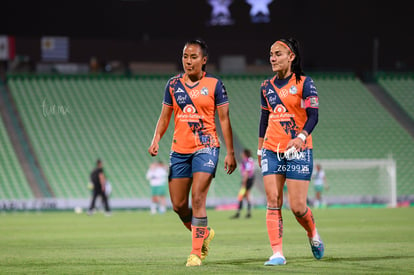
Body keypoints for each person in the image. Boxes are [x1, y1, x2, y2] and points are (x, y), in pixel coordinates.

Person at [148, 39, 237, 267]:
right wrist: (156, 138)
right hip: (179, 150)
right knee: (178, 205)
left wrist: (230, 152)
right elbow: (165, 116)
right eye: (185, 57)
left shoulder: (215, 84)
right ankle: (204, 233)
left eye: (193, 57)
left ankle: (195, 253)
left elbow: (224, 120)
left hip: (206, 147)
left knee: (198, 196)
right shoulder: (173, 85)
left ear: (204, 60)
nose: (188, 61)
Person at [257, 37, 324, 266]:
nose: (273, 58)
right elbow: (264, 119)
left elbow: (313, 116)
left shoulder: (305, 83)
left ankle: (312, 232)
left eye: (278, 54)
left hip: (299, 149)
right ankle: (277, 253)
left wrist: (301, 137)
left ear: (291, 57)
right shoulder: (266, 86)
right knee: (273, 199)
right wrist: (259, 150)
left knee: (297, 207)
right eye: (271, 54)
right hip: (271, 149)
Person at [231, 148, 255, 219]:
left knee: (241, 196)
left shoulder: (246, 161)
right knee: (247, 196)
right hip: (250, 179)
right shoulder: (250, 160)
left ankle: (238, 213)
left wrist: (244, 182)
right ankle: (248, 213)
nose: (241, 154)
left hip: (247, 180)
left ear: (245, 154)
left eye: (242, 153)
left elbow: (247, 172)